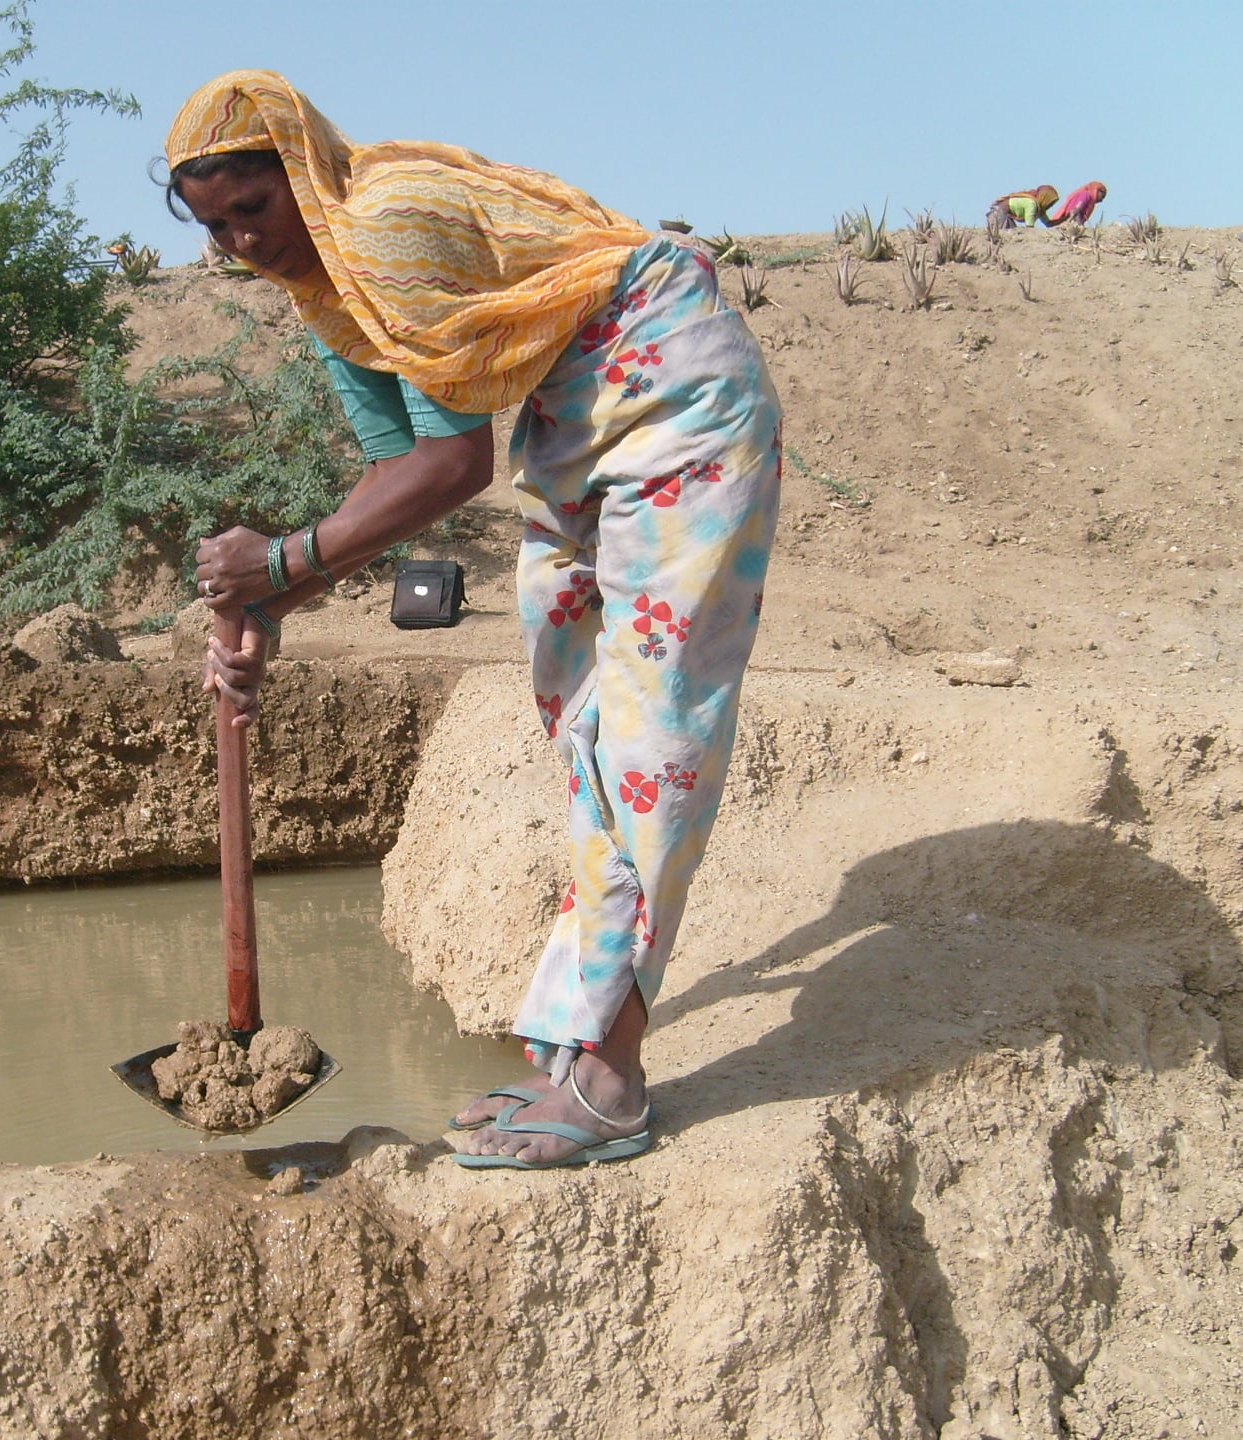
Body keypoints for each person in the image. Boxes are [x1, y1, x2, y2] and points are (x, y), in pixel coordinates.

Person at [163, 70, 782, 1168]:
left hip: (674, 395)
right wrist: (278, 598)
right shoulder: (329, 295)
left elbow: (453, 466)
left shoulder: (386, 228)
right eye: (214, 229)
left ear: (299, 171)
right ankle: (581, 1045)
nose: (239, 246)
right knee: (586, 725)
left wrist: (282, 559)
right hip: (576, 424)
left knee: (652, 739)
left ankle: (609, 1086)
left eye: (252, 211)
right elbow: (391, 469)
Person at [989, 184, 1059, 228]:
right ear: (1044, 198)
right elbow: (1029, 227)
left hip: (1002, 216)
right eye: (1050, 203)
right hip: (998, 216)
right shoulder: (1032, 204)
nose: (1051, 206)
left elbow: (1049, 223)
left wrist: (1065, 218)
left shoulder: (1039, 210)